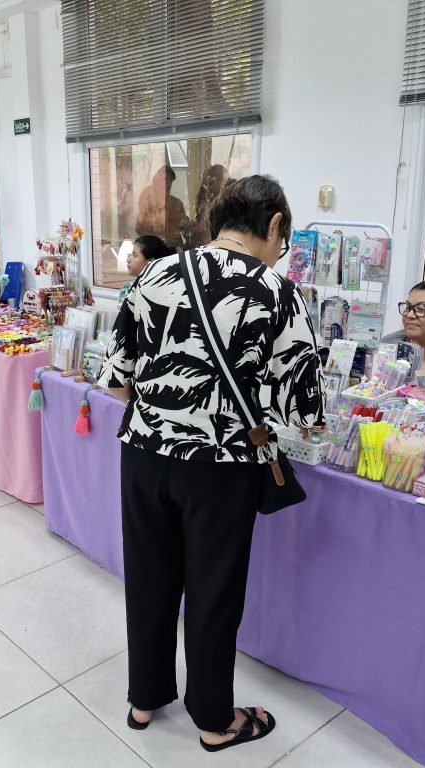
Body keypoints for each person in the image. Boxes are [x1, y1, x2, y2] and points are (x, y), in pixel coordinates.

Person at [98, 175, 325, 751]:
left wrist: (165, 416)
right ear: (274, 224)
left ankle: (145, 698)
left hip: (143, 454)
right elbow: (304, 410)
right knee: (213, 592)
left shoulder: (154, 273)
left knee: (148, 580)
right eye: (283, 240)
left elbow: (117, 378)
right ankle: (212, 719)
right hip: (221, 465)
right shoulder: (278, 293)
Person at [135, 166, 188, 249]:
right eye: (161, 179)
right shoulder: (147, 196)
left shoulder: (176, 203)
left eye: (168, 183)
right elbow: (140, 225)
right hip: (150, 245)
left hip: (171, 246)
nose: (165, 186)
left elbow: (184, 227)